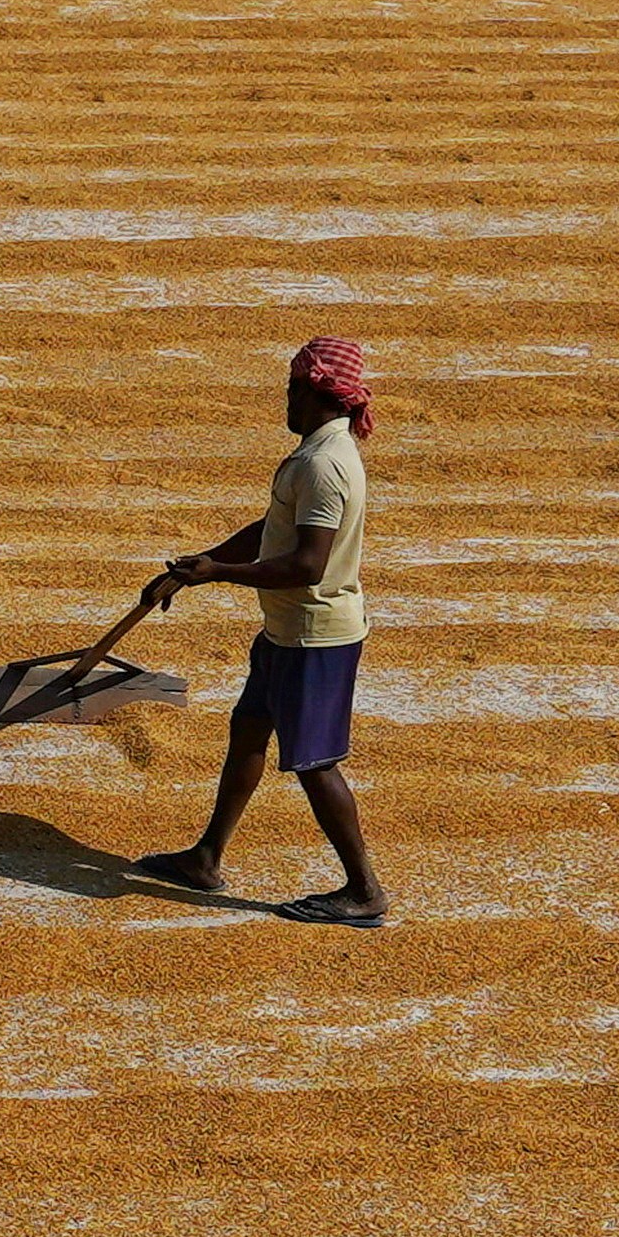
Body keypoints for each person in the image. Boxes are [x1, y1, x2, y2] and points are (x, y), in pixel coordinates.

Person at [130, 336, 387, 926]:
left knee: (315, 763)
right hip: (286, 633)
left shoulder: (323, 464)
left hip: (314, 637)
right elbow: (274, 528)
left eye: (293, 389)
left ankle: (365, 890)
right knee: (248, 730)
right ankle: (206, 856)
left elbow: (306, 564)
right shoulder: (319, 452)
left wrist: (218, 574)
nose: (286, 400)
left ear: (317, 391)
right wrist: (200, 565)